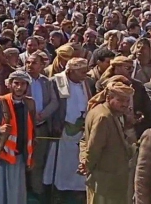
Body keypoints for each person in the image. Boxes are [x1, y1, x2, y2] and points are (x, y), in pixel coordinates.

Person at [0, 70, 36, 204]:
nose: (19, 87)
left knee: (16, 192)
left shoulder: (29, 103)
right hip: (1, 154)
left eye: (23, 84)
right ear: (9, 84)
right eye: (16, 83)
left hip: (20, 155)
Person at [79, 78, 136, 204]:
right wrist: (87, 165)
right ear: (109, 98)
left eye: (127, 101)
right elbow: (94, 148)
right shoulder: (103, 117)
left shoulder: (110, 113)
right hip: (104, 179)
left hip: (110, 179)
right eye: (120, 100)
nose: (125, 104)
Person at [44, 57, 92, 200]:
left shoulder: (87, 83)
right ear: (71, 71)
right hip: (63, 128)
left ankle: (77, 189)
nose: (85, 74)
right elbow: (52, 104)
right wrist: (55, 125)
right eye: (81, 72)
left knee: (77, 159)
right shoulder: (56, 81)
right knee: (61, 163)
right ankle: (58, 190)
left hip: (81, 129)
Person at [24, 50, 59, 200]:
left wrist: (42, 115)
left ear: (42, 65)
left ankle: (37, 190)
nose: (30, 65)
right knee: (23, 159)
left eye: (34, 63)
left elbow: (54, 102)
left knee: (38, 160)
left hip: (41, 126)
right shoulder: (20, 80)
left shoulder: (47, 81)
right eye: (28, 62)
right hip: (24, 126)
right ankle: (22, 189)